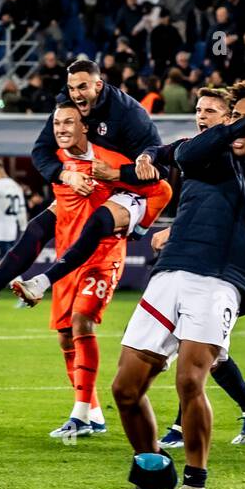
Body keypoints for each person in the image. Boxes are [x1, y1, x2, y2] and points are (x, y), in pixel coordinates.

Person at [102, 81, 245, 489]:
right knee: (125, 387)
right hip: (172, 270)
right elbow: (184, 153)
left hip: (221, 280)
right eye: (233, 116)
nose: (234, 124)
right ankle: (152, 478)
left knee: (190, 380)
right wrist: (157, 154)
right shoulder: (207, 155)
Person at [0, 56, 161, 314]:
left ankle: (41, 282)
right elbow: (41, 152)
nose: (76, 95)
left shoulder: (129, 114)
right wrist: (66, 175)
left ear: (99, 85)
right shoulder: (69, 106)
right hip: (92, 181)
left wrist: (119, 174)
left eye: (83, 87)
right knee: (39, 226)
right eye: (71, 88)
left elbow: (161, 170)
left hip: (129, 189)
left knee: (97, 224)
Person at [154, 89, 245, 449]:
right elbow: (173, 154)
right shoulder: (206, 154)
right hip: (202, 268)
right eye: (199, 109)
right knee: (209, 353)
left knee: (194, 350)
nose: (202, 115)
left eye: (212, 110)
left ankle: (184, 432)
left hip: (229, 275)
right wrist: (149, 154)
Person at [38, 101, 173, 440]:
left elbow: (162, 189)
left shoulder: (108, 159)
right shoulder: (58, 163)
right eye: (56, 122)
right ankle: (93, 412)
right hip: (68, 259)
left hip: (104, 255)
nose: (62, 128)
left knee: (82, 319)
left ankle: (80, 415)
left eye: (69, 121)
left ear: (85, 126)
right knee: (65, 335)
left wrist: (140, 226)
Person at [0, 160, 26, 266]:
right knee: (10, 261)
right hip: (12, 231)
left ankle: (0, 283)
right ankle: (12, 281)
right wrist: (23, 228)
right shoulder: (16, 186)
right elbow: (22, 210)